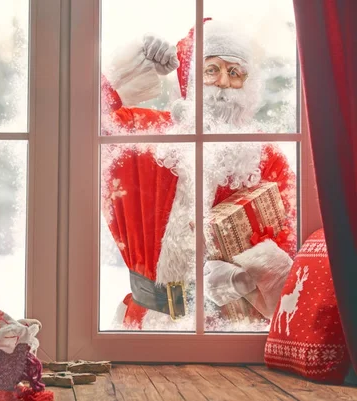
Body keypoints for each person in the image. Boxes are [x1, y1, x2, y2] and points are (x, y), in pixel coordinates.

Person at [101, 20, 296, 329]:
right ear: (193, 80)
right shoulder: (153, 135)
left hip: (229, 333)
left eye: (234, 73)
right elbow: (92, 118)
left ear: (248, 84)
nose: (221, 82)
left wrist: (241, 277)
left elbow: (289, 245)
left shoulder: (267, 158)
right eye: (211, 70)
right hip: (147, 326)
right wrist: (135, 65)